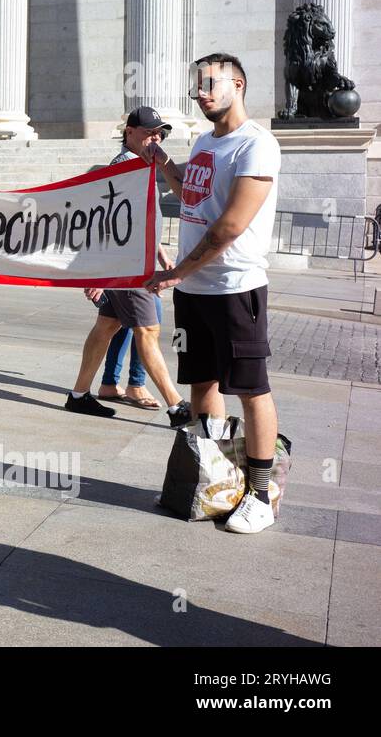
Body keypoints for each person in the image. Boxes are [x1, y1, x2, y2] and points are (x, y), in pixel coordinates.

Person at [146, 53, 282, 535]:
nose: (201, 93)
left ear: (238, 84)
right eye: (195, 87)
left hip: (234, 288)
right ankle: (221, 478)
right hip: (195, 292)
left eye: (209, 84)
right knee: (202, 383)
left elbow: (229, 226)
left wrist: (177, 271)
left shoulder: (256, 145)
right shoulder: (206, 141)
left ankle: (261, 493)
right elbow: (190, 189)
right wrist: (160, 161)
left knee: (249, 388)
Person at [64, 106, 188, 425]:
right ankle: (176, 407)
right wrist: (101, 274)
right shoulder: (124, 169)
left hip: (135, 263)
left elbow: (138, 221)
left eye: (159, 133)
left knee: (107, 326)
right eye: (149, 132)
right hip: (128, 267)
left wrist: (159, 252)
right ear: (129, 132)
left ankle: (79, 395)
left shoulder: (140, 165)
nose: (156, 138)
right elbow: (110, 225)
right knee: (147, 329)